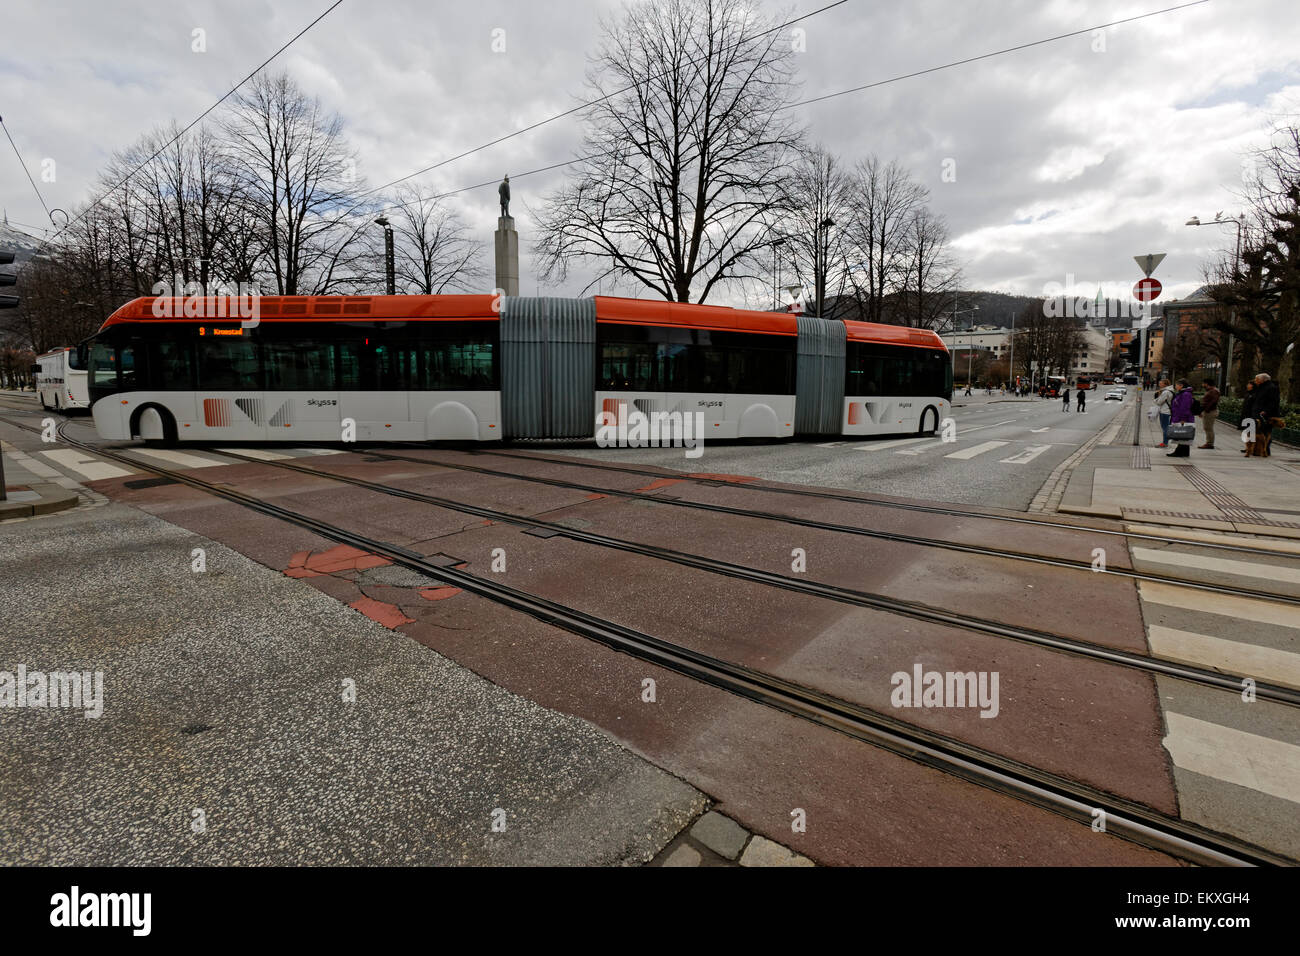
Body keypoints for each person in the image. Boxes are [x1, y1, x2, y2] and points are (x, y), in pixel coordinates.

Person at [1253, 372, 1281, 458]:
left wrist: (1266, 411)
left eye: (1257, 379)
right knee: (1259, 432)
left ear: (1263, 380)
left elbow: (1273, 402)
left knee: (1265, 433)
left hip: (1266, 415)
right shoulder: (1261, 387)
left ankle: (1265, 450)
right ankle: (1258, 450)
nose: (1255, 381)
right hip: (1259, 412)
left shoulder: (1271, 388)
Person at [1167, 380, 1194, 457]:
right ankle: (1184, 452)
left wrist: (1183, 419)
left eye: (1176, 385)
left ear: (1181, 385)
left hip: (1183, 417)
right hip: (1179, 416)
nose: (1175, 387)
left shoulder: (1185, 394)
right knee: (1183, 434)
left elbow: (1185, 407)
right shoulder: (1183, 393)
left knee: (1182, 434)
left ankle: (1179, 452)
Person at [1197, 378, 1220, 449]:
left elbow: (1211, 402)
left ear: (1207, 384)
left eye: (1203, 383)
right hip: (1208, 411)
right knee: (1207, 427)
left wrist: (1205, 410)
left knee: (1208, 428)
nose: (1202, 385)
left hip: (1210, 412)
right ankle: (1209, 443)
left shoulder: (1213, 391)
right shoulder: (1211, 391)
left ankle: (1209, 443)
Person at [1154, 379, 1173, 448]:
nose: (1159, 385)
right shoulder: (1170, 391)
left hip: (1164, 411)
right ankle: (1165, 442)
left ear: (1165, 384)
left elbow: (1159, 402)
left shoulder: (1165, 392)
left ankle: (1165, 443)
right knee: (1166, 427)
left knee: (1165, 428)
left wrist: (1156, 398)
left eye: (1161, 383)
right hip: (1167, 411)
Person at [1241, 381, 1258, 456]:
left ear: (1253, 386)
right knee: (1247, 432)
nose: (1247, 385)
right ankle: (1248, 447)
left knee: (1250, 432)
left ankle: (1250, 448)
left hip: (1251, 415)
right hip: (1246, 415)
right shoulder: (1248, 394)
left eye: (1249, 384)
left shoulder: (1254, 394)